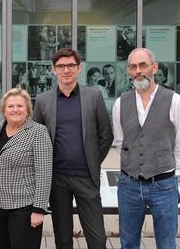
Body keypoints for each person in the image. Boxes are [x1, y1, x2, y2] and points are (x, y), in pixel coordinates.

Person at [33, 48, 113, 249]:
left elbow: (106, 135)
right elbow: (37, 138)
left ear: (78, 69)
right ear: (54, 70)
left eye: (71, 66)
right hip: (57, 179)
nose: (66, 70)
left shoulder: (93, 96)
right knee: (62, 239)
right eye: (61, 66)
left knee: (97, 240)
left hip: (86, 178)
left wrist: (91, 160)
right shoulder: (43, 100)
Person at [112, 48, 180, 249]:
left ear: (154, 67)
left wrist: (167, 165)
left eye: (143, 65)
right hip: (129, 184)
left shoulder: (175, 100)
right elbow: (121, 142)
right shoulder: (121, 103)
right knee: (128, 243)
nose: (138, 70)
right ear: (129, 71)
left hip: (163, 185)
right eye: (133, 66)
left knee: (166, 244)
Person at [0, 86, 53, 249]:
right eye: (10, 106)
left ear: (28, 109)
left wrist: (39, 209)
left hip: (25, 208)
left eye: (20, 106)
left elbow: (44, 173)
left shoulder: (38, 132)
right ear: (4, 110)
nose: (15, 110)